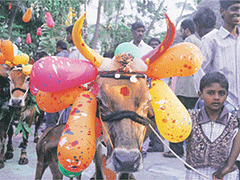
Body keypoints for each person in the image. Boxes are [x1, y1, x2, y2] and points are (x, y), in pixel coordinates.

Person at [185, 71, 239, 180]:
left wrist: (228, 167)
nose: (216, 97)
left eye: (221, 93)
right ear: (200, 95)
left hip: (225, 176)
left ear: (226, 95)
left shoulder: (233, 122)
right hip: (195, 175)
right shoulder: (189, 118)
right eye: (210, 93)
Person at [164, 19, 201, 158]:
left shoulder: (185, 44)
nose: (181, 33)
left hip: (184, 88)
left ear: (186, 30)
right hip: (196, 89)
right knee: (195, 121)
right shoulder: (201, 42)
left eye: (181, 30)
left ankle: (176, 150)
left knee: (177, 119)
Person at [130, 22, 153, 158]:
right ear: (132, 31)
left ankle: (143, 148)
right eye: (138, 31)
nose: (140, 33)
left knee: (144, 116)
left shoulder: (148, 49)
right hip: (129, 89)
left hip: (144, 88)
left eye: (142, 31)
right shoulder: (124, 48)